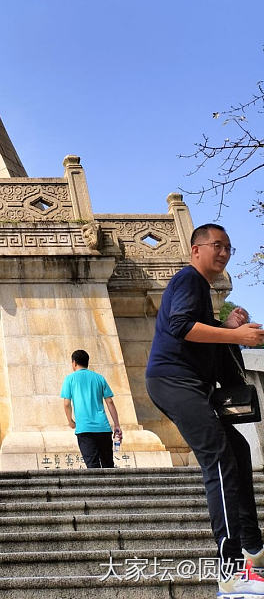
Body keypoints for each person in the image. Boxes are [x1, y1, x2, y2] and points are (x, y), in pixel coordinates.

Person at [146, 223, 264, 597]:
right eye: (217, 245)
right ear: (196, 250)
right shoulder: (188, 279)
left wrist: (225, 325)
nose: (224, 253)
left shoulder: (200, 289)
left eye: (229, 247)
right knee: (217, 458)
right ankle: (229, 569)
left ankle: (254, 550)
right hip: (172, 381)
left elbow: (199, 330)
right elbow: (181, 327)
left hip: (190, 384)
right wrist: (236, 336)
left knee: (238, 450)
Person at [61, 349, 122, 468]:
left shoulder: (70, 379)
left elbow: (67, 403)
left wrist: (71, 421)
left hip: (85, 429)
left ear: (74, 363)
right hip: (103, 428)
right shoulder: (99, 378)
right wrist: (117, 425)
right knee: (108, 465)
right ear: (87, 362)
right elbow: (109, 401)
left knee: (93, 467)